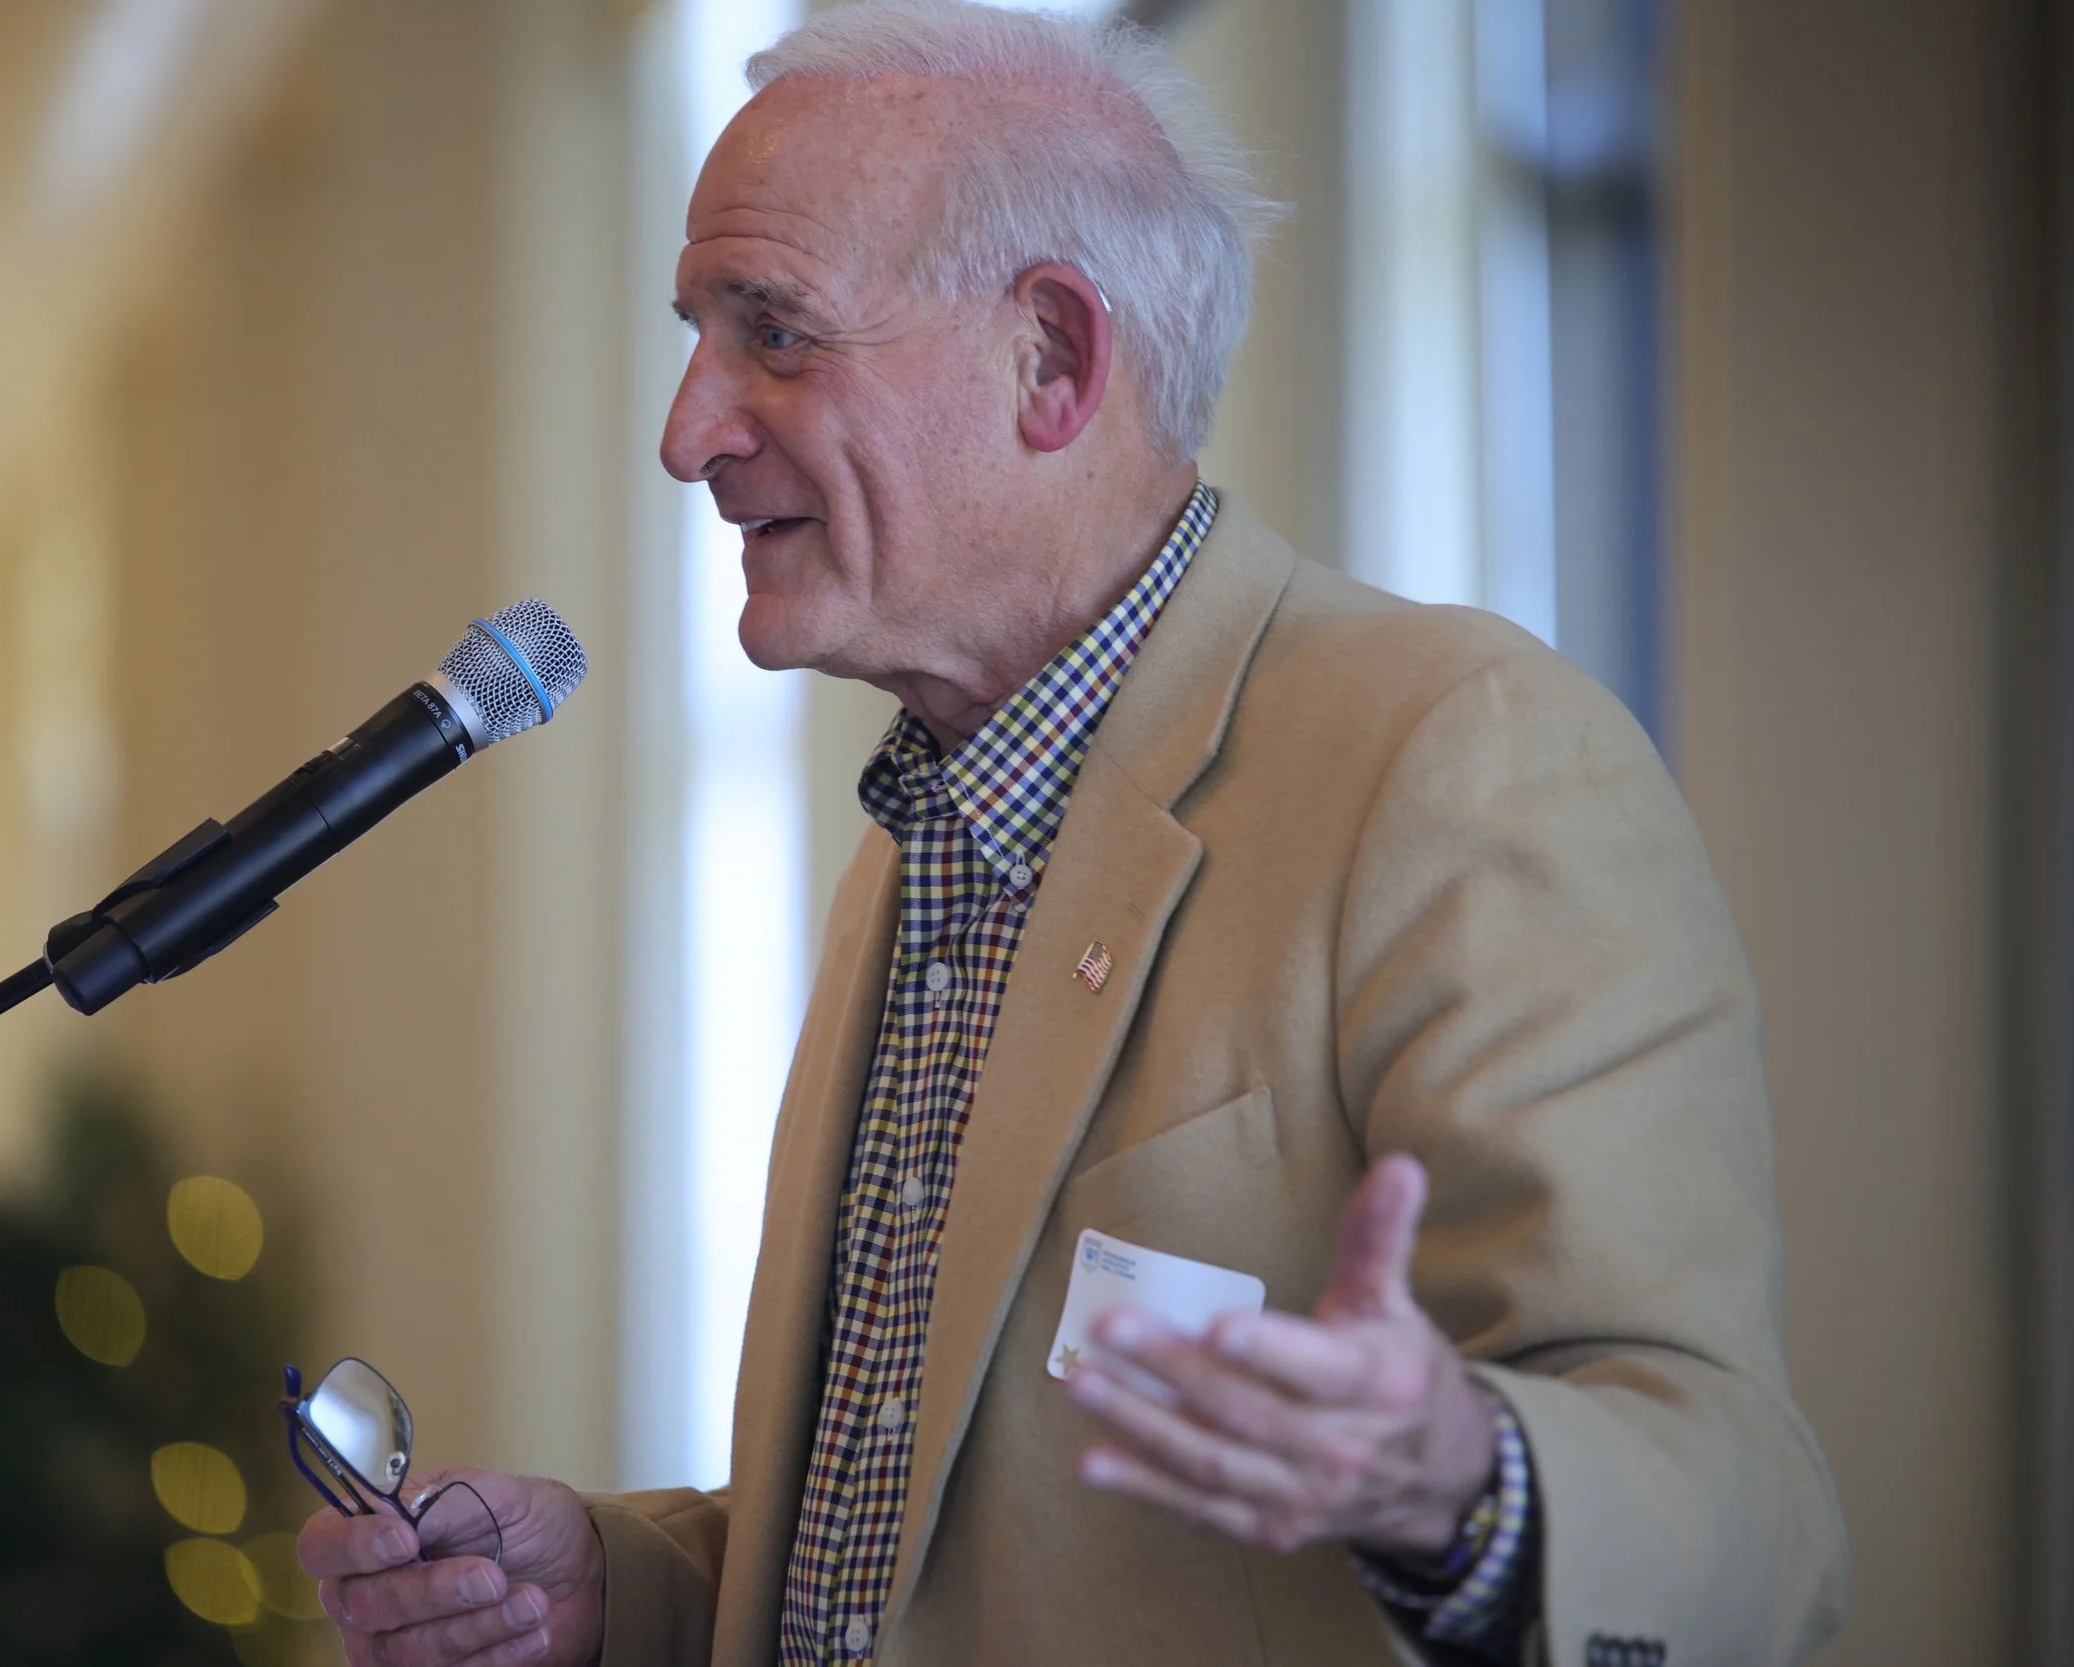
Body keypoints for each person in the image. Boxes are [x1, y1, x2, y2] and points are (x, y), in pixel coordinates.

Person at [299, 3, 1849, 1663]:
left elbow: (1750, 1528)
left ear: (1052, 358)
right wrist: (624, 1591)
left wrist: (1465, 1480)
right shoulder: (914, 838)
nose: (688, 433)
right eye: (698, 334)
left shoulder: (1457, 754)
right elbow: (926, 1552)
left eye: (774, 332)